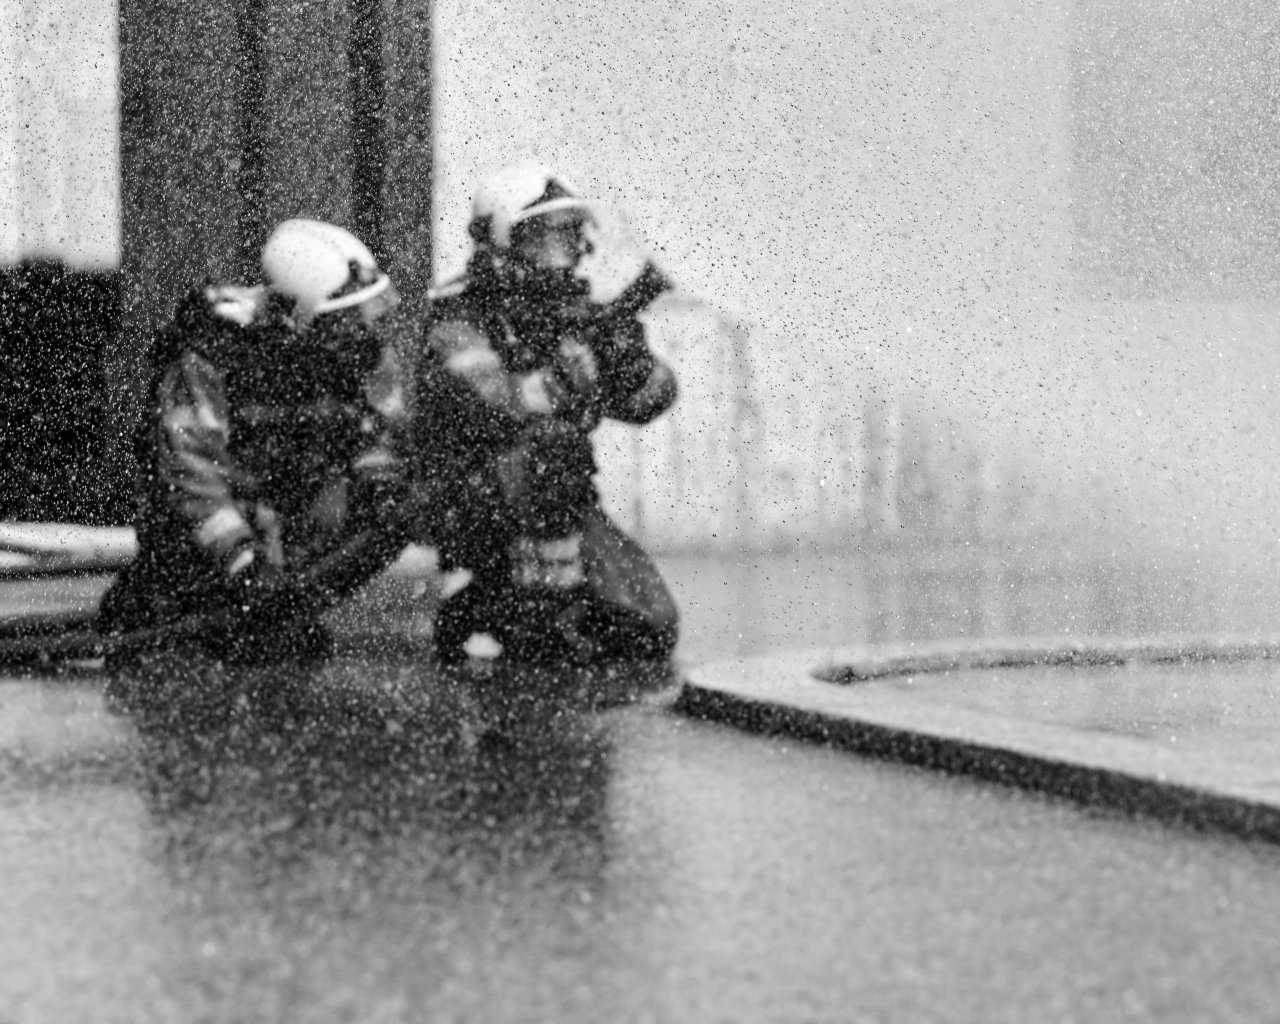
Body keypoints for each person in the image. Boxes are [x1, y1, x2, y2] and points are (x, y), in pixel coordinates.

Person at [96, 218, 414, 664]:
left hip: (278, 540)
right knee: (181, 644)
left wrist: (380, 486)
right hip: (203, 547)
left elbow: (374, 434)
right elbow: (192, 479)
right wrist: (243, 561)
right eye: (345, 321)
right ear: (295, 315)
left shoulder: (349, 351)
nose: (361, 334)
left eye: (362, 317)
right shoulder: (215, 354)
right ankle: (174, 608)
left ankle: (280, 610)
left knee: (397, 514)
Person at [413, 163, 681, 667]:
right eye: (544, 239)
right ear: (501, 241)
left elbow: (648, 403)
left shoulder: (572, 313)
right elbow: (495, 405)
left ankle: (493, 603)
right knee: (552, 446)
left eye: (569, 237)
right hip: (467, 496)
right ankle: (533, 611)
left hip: (556, 499)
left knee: (649, 628)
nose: (562, 254)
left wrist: (633, 364)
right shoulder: (459, 315)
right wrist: (566, 375)